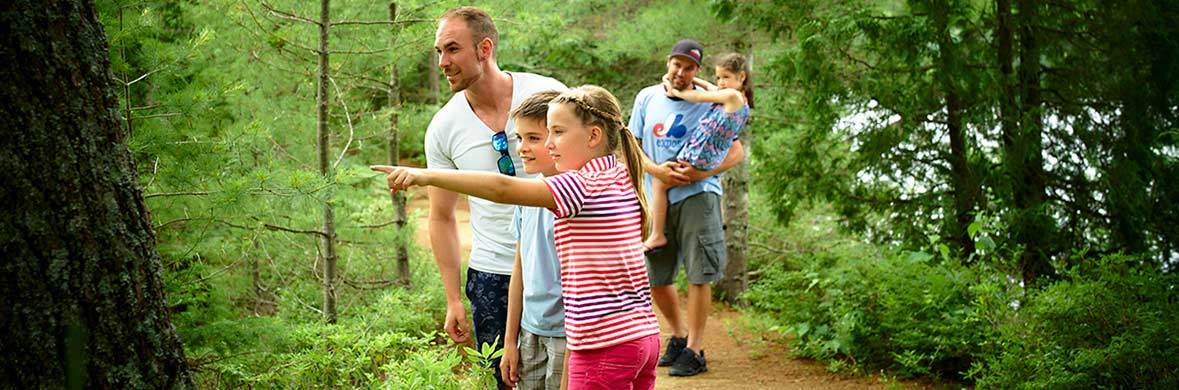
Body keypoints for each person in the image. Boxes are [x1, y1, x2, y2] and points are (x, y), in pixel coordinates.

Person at [374, 85, 661, 390]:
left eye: (558, 132)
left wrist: (426, 175)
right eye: (547, 134)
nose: (549, 144)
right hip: (642, 338)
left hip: (605, 344)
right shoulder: (616, 176)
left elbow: (502, 188)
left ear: (593, 136)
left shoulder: (583, 185)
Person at [424, 7, 566, 389]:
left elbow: (590, 171)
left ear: (484, 48)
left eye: (452, 49)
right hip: (493, 276)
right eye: (439, 51)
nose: (443, 62)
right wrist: (453, 298)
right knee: (504, 381)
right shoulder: (443, 127)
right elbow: (441, 217)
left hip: (560, 269)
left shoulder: (548, 95)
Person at [628, 39, 748, 377]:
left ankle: (695, 349)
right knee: (656, 275)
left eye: (689, 67)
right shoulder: (646, 97)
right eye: (677, 64)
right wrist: (656, 172)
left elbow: (735, 151)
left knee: (699, 274)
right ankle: (678, 335)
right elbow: (632, 147)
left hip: (699, 196)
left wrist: (701, 173)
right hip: (656, 196)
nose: (681, 72)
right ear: (668, 63)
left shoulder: (710, 101)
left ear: (698, 71)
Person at [642, 52, 753, 253]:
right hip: (708, 156)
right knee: (697, 183)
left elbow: (698, 96)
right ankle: (716, 219)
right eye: (718, 77)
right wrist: (693, 79)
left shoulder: (732, 96)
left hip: (699, 155)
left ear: (742, 77)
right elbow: (710, 89)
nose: (720, 82)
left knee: (659, 182)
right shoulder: (733, 96)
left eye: (726, 77)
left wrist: (674, 90)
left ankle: (657, 235)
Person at [498, 91, 566, 390]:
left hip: (569, 334)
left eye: (533, 138)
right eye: (519, 138)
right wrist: (510, 340)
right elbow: (520, 270)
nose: (522, 148)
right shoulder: (526, 197)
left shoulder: (577, 199)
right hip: (530, 330)